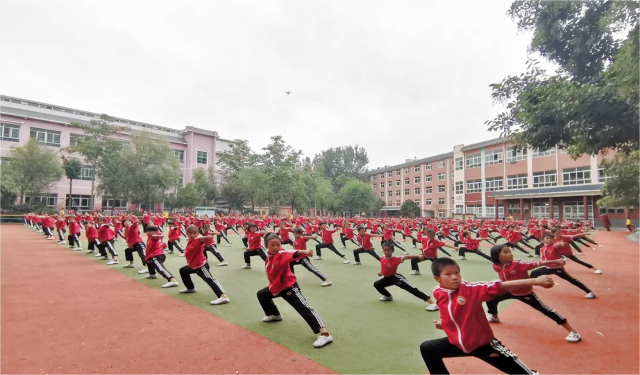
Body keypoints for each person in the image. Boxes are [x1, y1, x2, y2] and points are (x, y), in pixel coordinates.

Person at [420, 257, 550, 375]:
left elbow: (499, 286)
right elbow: (451, 313)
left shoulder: (470, 290)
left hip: (483, 345)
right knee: (428, 348)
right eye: (448, 274)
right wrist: (444, 324)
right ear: (438, 278)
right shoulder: (438, 292)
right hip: (457, 344)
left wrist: (535, 281)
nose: (454, 277)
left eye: (457, 272)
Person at [486, 244, 582, 343]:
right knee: (490, 299)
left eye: (510, 251)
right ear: (496, 256)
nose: (510, 254)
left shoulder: (518, 264)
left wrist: (555, 261)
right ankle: (494, 316)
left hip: (525, 293)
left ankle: (573, 332)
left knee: (546, 310)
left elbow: (538, 263)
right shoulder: (496, 266)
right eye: (505, 252)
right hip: (508, 291)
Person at [256, 234, 333, 348]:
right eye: (272, 245)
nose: (276, 247)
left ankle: (325, 334)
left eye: (278, 244)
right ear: (267, 246)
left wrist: (304, 252)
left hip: (289, 287)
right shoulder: (268, 256)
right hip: (276, 286)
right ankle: (274, 314)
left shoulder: (281, 254)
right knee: (262, 294)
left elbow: (291, 253)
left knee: (304, 307)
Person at [374, 241, 438, 311]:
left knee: (411, 289)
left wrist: (417, 256)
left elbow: (405, 257)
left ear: (392, 250)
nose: (386, 252)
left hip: (396, 278)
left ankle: (432, 303)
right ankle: (388, 296)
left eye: (389, 250)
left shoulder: (395, 259)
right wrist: (381, 272)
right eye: (385, 250)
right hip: (387, 278)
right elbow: (385, 267)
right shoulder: (382, 258)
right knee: (377, 284)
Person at [530, 233, 596, 299]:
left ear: (553, 240)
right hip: (547, 267)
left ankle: (589, 292)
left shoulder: (554, 246)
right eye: (547, 238)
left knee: (571, 280)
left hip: (556, 268)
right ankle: (529, 286)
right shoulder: (543, 248)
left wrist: (561, 244)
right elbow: (545, 258)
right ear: (542, 240)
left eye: (551, 239)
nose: (549, 240)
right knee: (533, 273)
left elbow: (557, 245)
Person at [178, 225, 230, 305]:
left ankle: (223, 296)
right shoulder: (190, 241)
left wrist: (207, 237)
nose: (192, 235)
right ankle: (190, 288)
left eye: (194, 233)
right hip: (192, 265)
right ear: (187, 233)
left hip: (201, 266)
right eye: (190, 233)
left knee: (210, 279)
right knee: (183, 271)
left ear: (198, 233)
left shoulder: (197, 240)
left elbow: (201, 239)